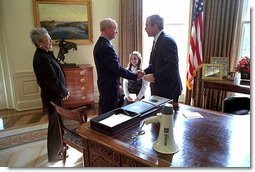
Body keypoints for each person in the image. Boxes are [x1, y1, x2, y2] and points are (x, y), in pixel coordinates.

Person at [30, 27, 70, 162]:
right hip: (52, 97)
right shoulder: (41, 58)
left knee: (57, 124)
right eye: (47, 39)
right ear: (39, 42)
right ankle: (54, 155)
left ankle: (59, 149)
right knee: (55, 126)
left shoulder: (45, 54)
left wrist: (63, 91)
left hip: (55, 96)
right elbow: (52, 81)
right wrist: (64, 91)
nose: (50, 40)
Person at [93, 18, 143, 115]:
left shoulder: (103, 44)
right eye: (115, 29)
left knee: (106, 111)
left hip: (107, 85)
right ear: (107, 29)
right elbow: (117, 69)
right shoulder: (105, 47)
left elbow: (111, 69)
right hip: (109, 87)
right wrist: (135, 76)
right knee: (108, 115)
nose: (116, 31)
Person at [143, 14, 183, 105]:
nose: (145, 28)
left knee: (168, 118)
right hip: (159, 89)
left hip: (168, 89)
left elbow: (172, 66)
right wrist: (144, 72)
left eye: (147, 25)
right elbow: (154, 64)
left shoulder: (167, 41)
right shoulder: (157, 40)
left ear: (155, 26)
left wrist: (154, 76)